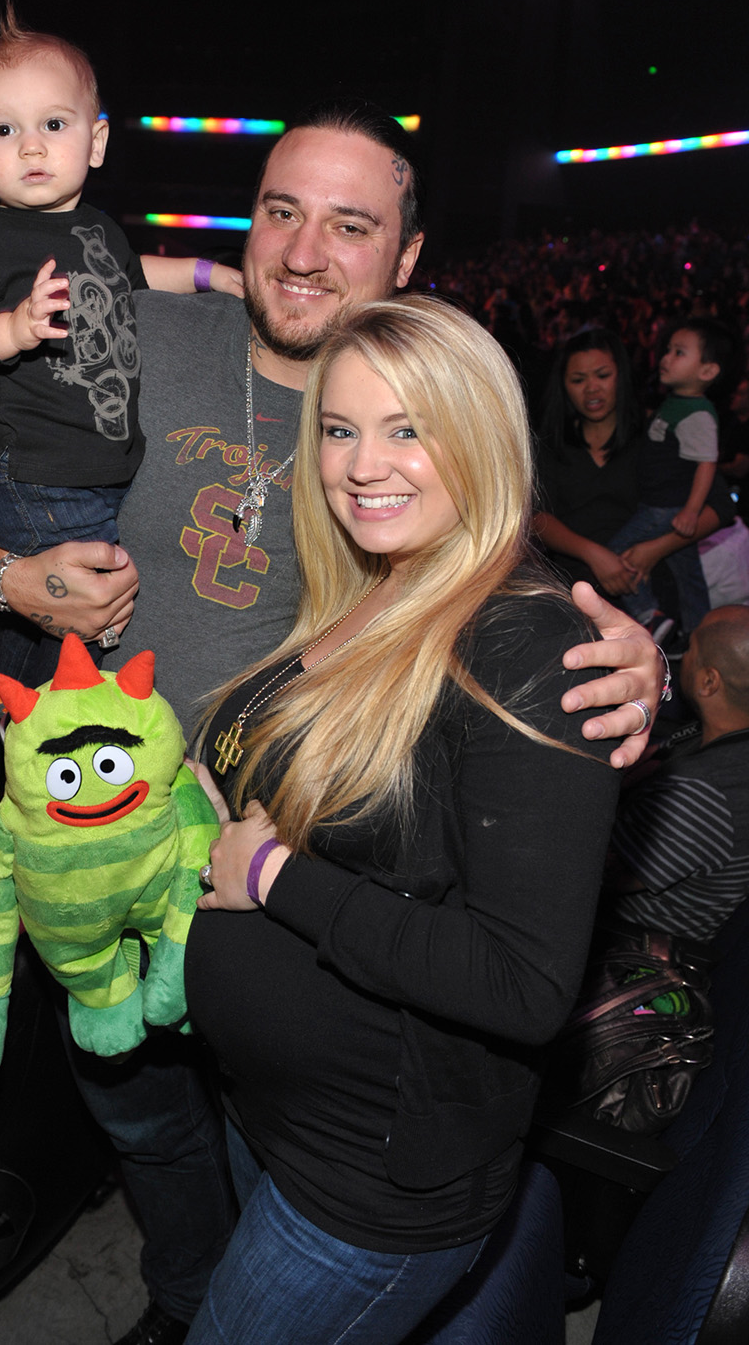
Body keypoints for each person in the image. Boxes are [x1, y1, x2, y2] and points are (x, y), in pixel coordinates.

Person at [0, 99, 665, 1345]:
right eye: (280, 210)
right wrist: (7, 575)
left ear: (407, 257)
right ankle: (186, 1288)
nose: (301, 249)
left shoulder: (417, 413)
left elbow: (500, 583)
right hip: (104, 836)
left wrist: (627, 660)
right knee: (143, 1120)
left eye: (349, 222)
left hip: (308, 954)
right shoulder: (155, 333)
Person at [182, 295, 622, 1343]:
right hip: (273, 1114)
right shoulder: (372, 585)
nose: (362, 463)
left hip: (370, 1183)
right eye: (339, 428)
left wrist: (273, 874)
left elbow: (520, 983)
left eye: (407, 427)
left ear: (478, 433)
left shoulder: (526, 650)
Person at [0, 8, 241, 719]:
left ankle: (13, 692)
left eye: (53, 125)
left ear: (95, 142)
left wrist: (213, 273)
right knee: (84, 606)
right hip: (31, 474)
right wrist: (10, 329)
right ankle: (11, 696)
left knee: (88, 607)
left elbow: (136, 275)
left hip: (90, 474)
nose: (31, 146)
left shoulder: (99, 229)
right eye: (4, 130)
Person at [607, 605, 749, 945]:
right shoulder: (717, 738)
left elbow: (593, 874)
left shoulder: (701, 795)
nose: (682, 655)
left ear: (708, 681)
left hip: (630, 945)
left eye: (690, 648)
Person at [607, 318, 737, 640]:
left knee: (615, 556)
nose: (665, 358)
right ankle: (700, 633)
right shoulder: (678, 404)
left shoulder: (698, 414)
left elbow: (707, 463)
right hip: (666, 507)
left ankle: (649, 614)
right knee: (688, 576)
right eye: (667, 350)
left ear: (707, 372)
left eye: (679, 352)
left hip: (665, 509)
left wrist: (692, 511)